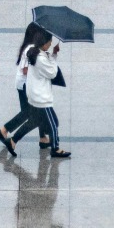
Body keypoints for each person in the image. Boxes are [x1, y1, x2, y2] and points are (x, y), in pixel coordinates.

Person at [12, 29, 71, 158]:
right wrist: (54, 58)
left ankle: (13, 140)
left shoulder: (34, 52)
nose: (50, 44)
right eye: (49, 42)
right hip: (41, 97)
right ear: (44, 43)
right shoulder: (40, 58)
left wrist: (53, 53)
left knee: (34, 121)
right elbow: (52, 73)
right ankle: (55, 149)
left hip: (34, 94)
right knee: (53, 123)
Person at [0, 22, 49, 155]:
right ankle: (13, 138)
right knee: (36, 114)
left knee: (29, 112)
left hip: (24, 84)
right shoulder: (31, 48)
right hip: (26, 85)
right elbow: (25, 70)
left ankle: (42, 138)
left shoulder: (32, 47)